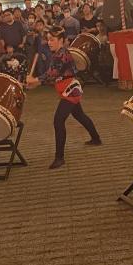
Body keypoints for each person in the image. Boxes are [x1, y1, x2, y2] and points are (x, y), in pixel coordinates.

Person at [27, 26, 102, 170]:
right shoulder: (59, 53)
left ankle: (59, 157)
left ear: (61, 40)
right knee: (80, 115)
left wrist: (35, 80)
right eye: (48, 39)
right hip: (69, 88)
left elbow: (51, 73)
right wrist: (35, 83)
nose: (49, 42)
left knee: (58, 121)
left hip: (70, 90)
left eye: (52, 40)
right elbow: (52, 75)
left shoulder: (61, 54)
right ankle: (96, 138)